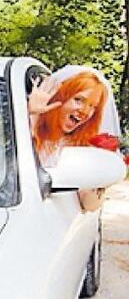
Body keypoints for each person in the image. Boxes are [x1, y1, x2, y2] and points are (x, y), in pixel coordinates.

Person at [28, 66, 114, 211]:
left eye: (92, 106)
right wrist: (26, 112)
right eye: (79, 100)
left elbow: (90, 206)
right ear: (60, 96)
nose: (85, 112)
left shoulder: (80, 149)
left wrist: (99, 177)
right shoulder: (26, 126)